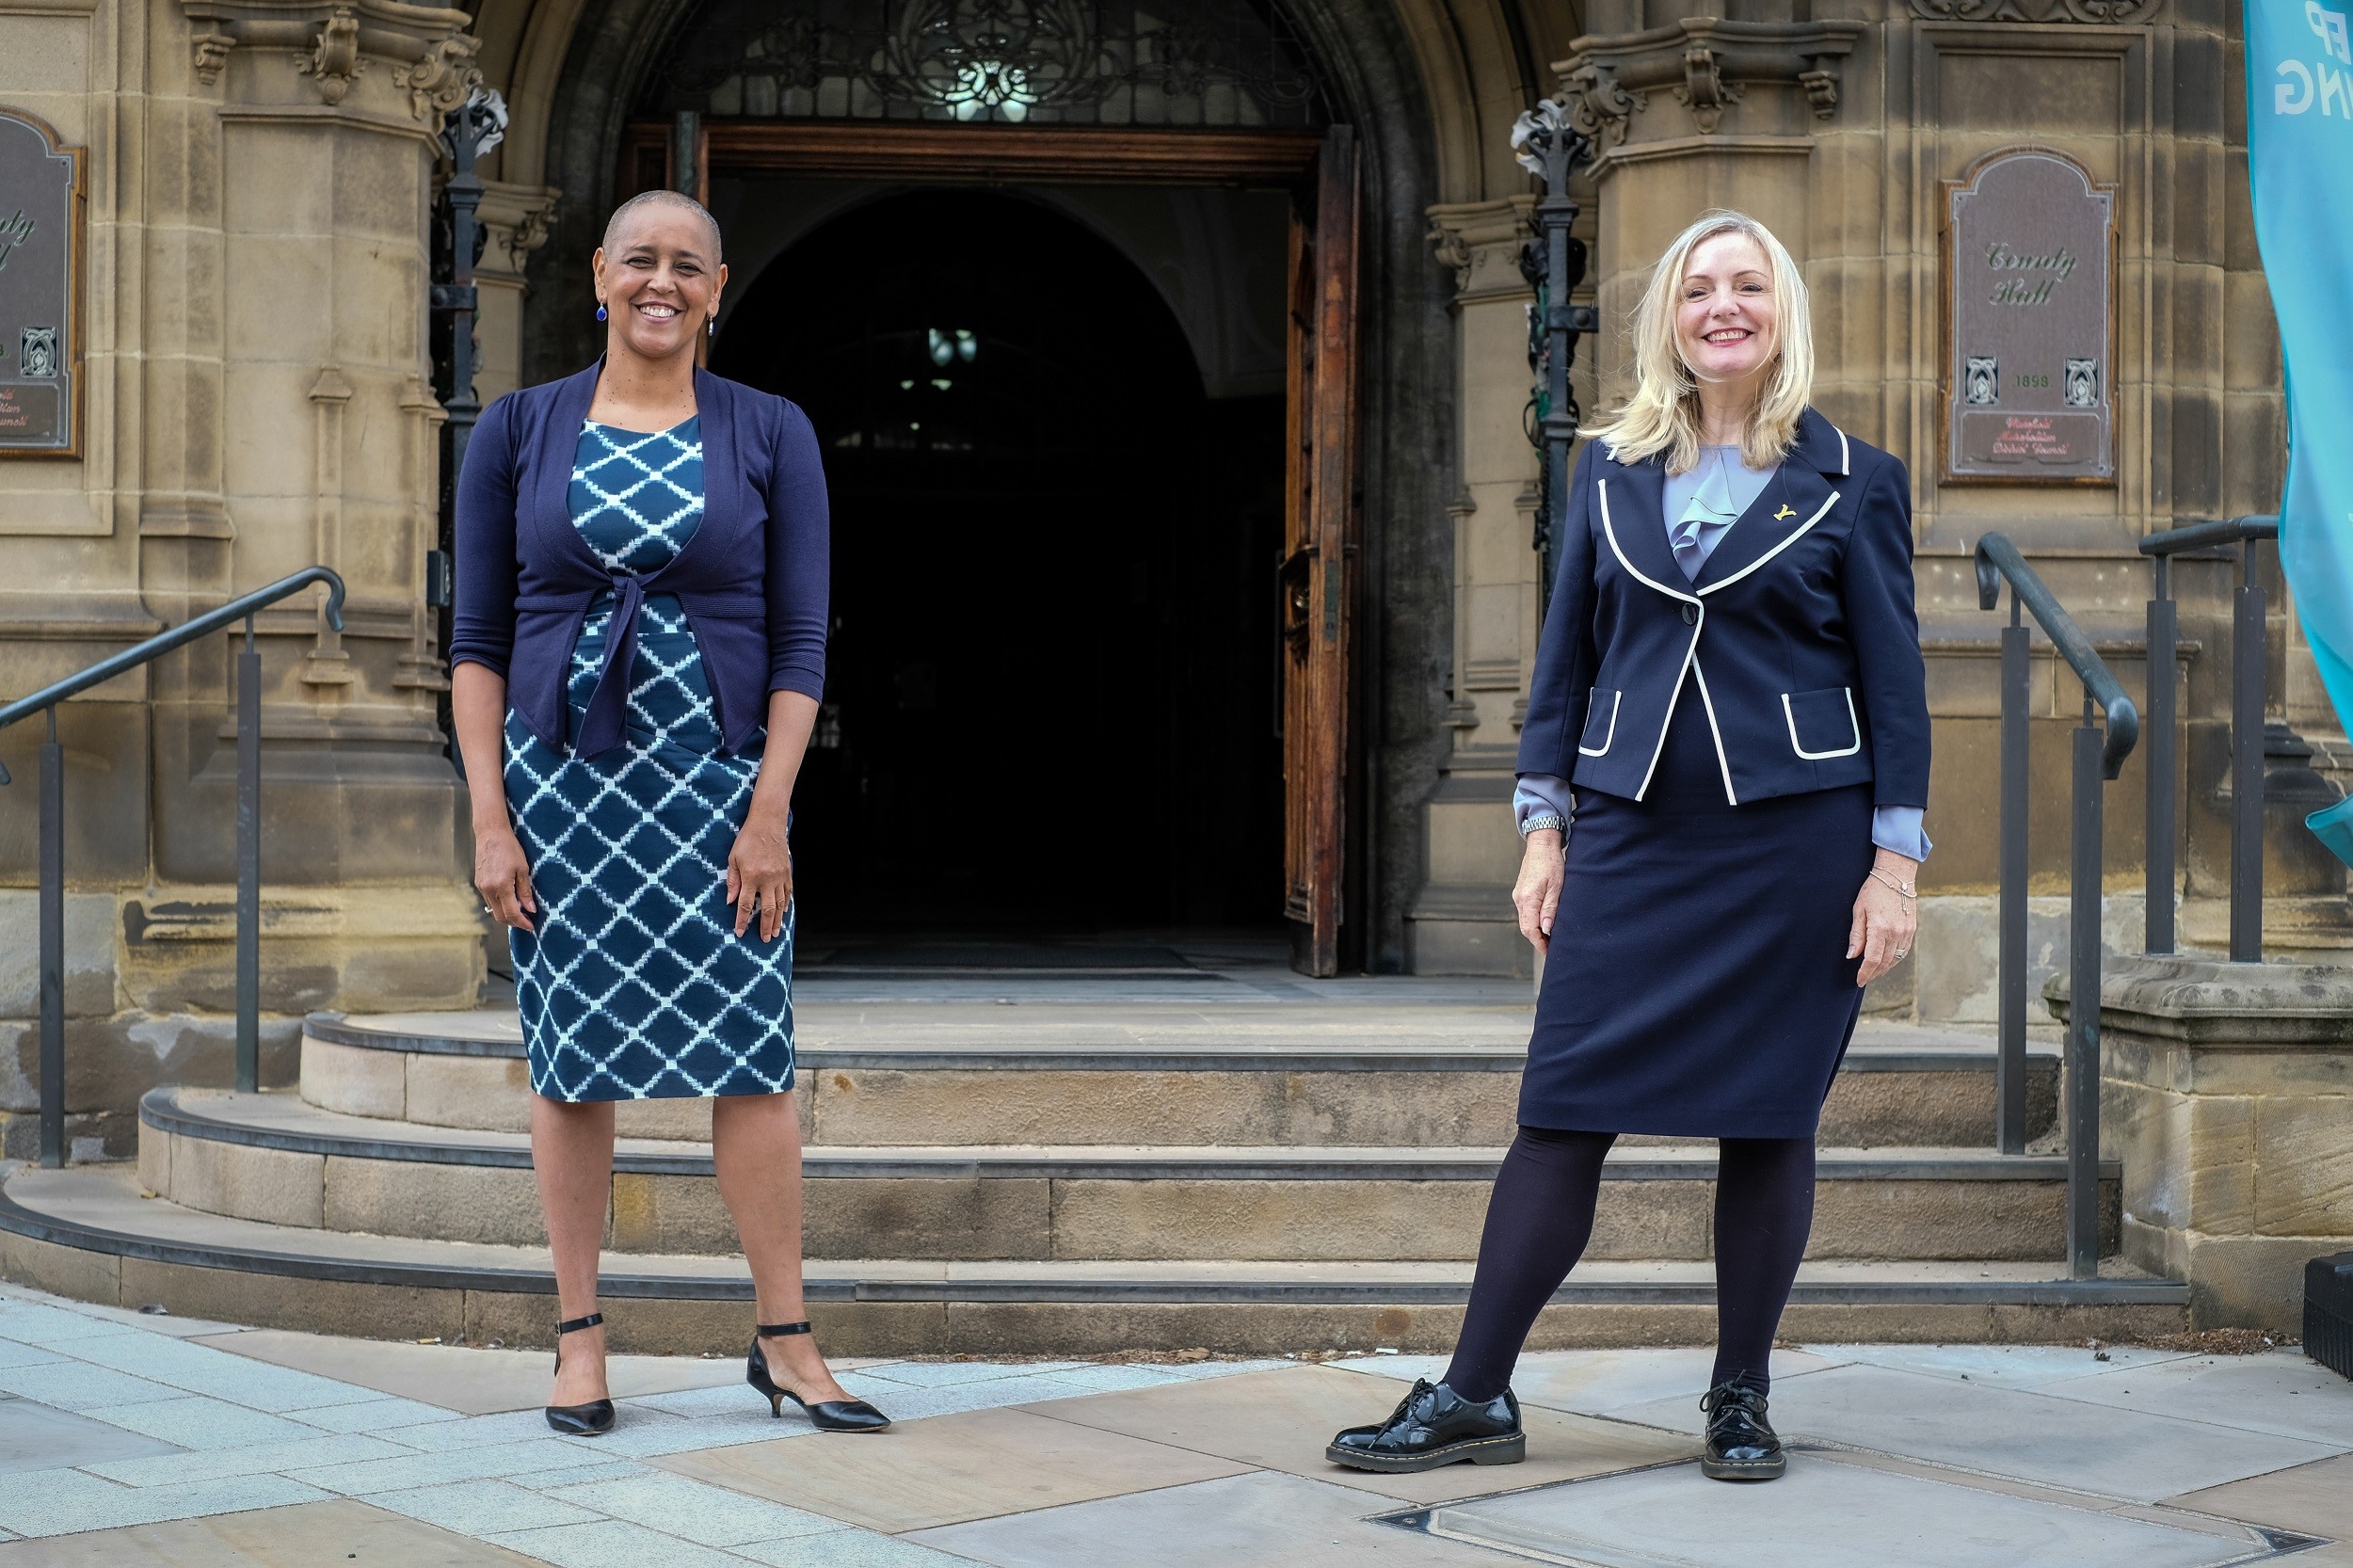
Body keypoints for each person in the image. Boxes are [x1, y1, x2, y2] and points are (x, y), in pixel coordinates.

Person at [1327, 210, 1929, 1482]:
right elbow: (1565, 663)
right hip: (1636, 833)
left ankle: (1741, 1395)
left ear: (1782, 312)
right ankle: (1476, 1391)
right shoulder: (1606, 467)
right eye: (1699, 287)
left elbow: (1899, 685)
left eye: (1748, 284)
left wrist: (1895, 865)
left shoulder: (1856, 478)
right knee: (1561, 1109)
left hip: (1797, 845)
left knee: (1769, 1123)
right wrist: (1542, 832)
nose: (1724, 306)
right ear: (1668, 316)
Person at [449, 190, 888, 1438]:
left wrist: (770, 816)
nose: (660, 281)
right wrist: (490, 814)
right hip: (560, 795)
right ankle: (579, 1340)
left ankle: (788, 1340)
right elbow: (477, 640)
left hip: (720, 797)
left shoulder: (769, 431)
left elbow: (802, 642)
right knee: (571, 1058)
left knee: (753, 1058)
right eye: (638, 259)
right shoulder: (520, 430)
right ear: (598, 273)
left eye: (685, 266)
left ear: (716, 286)